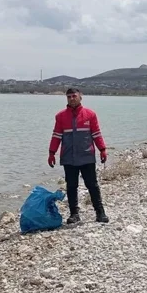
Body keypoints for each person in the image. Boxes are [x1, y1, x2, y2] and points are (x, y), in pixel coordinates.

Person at [47, 88, 109, 224]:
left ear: (80, 97)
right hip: (69, 157)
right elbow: (56, 136)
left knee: (92, 185)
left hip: (87, 155)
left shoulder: (90, 114)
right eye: (69, 97)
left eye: (74, 96)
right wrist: (52, 153)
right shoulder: (61, 116)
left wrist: (102, 149)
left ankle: (100, 212)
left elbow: (96, 134)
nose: (71, 99)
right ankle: (74, 214)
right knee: (71, 186)